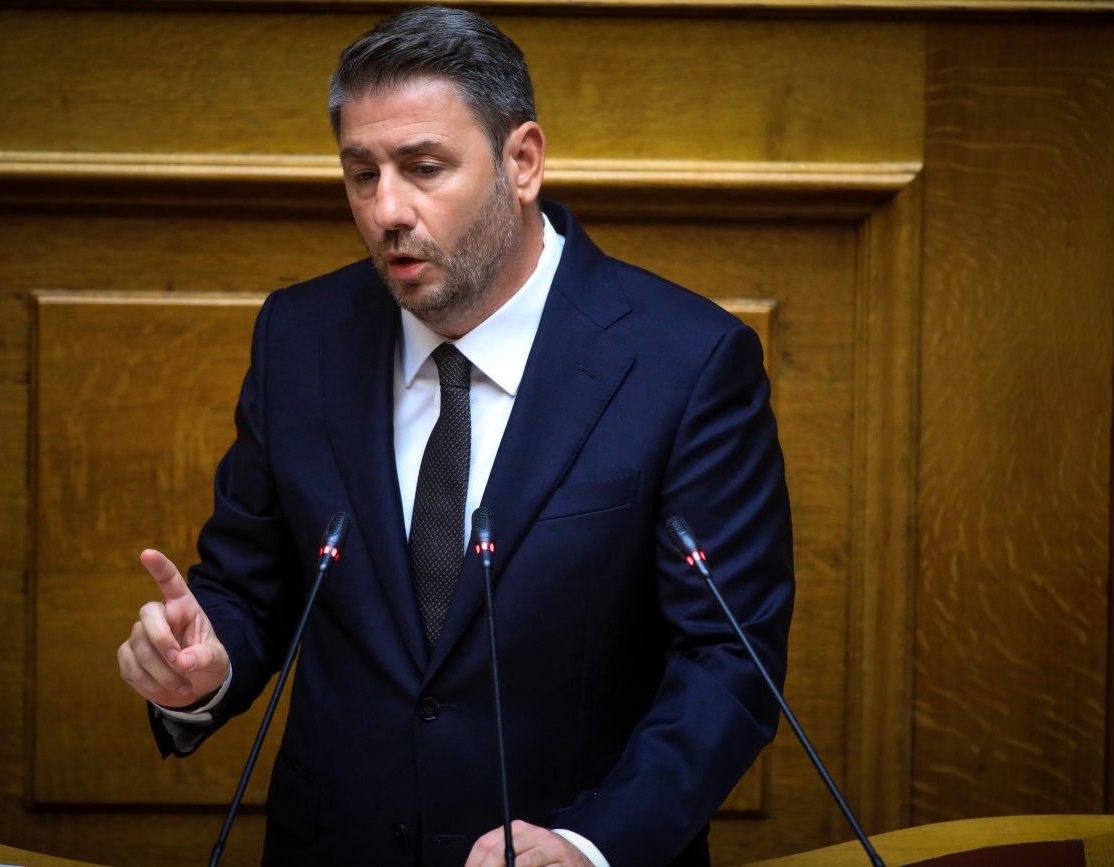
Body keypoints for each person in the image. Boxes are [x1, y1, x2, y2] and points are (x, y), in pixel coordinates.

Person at [116, 6, 794, 866]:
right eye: (361, 174)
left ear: (522, 161)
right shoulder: (300, 336)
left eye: (424, 168)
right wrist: (202, 668)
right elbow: (250, 591)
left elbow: (728, 658)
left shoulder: (687, 360)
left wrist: (592, 842)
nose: (386, 209)